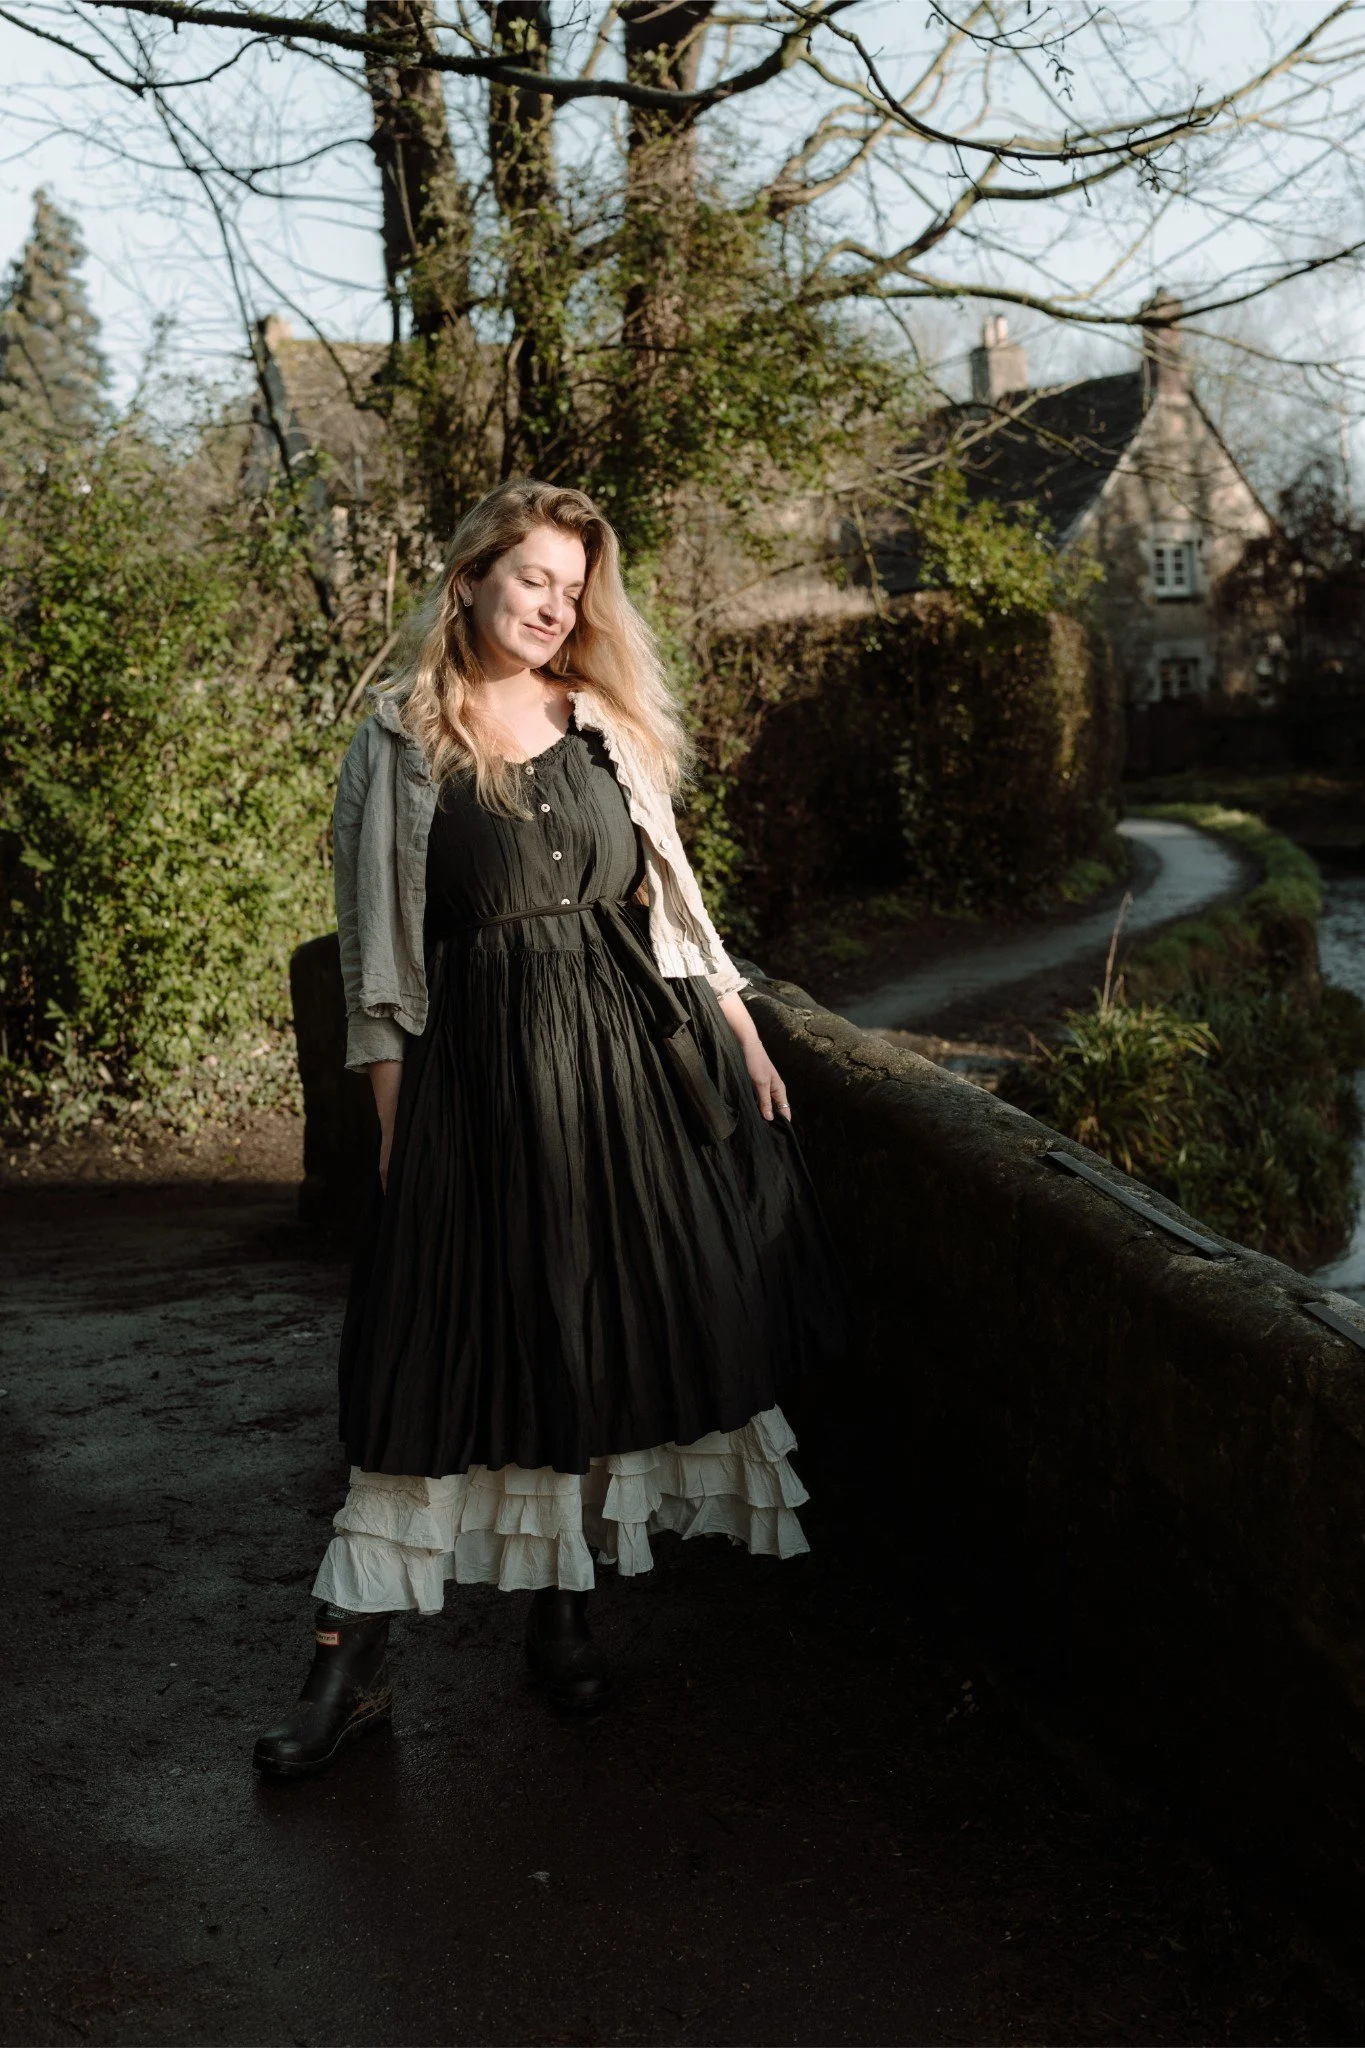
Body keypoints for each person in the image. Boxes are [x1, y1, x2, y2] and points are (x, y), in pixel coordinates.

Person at [253, 480, 848, 1779]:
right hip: (473, 1081)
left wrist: (742, 1033)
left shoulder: (607, 727)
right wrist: (399, 1138)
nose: (554, 607)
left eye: (574, 589)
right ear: (467, 580)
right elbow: (378, 969)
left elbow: (675, 907)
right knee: (424, 1362)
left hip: (627, 1076)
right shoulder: (399, 742)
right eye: (533, 580)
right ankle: (345, 1670)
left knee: (596, 1341)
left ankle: (565, 1614)